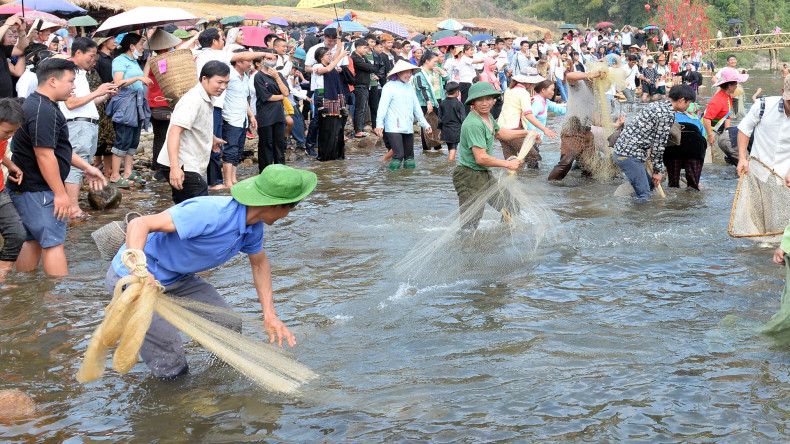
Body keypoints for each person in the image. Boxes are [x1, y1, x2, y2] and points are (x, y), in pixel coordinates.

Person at [105, 164, 317, 378]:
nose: (290, 213)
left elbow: (260, 264)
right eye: (292, 206)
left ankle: (217, 382)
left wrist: (270, 315)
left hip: (179, 279)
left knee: (228, 326)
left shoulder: (253, 227)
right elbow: (140, 224)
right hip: (134, 279)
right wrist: (138, 269)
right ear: (276, 206)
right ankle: (177, 398)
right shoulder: (209, 213)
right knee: (170, 355)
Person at [8, 58, 106, 276]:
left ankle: (27, 292)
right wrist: (61, 194)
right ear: (53, 81)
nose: (73, 86)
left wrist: (86, 167)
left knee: (31, 240)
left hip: (29, 189)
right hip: (39, 189)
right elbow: (44, 155)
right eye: (71, 81)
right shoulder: (43, 111)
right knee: (53, 244)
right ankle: (58, 301)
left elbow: (58, 147)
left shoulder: (40, 104)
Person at [194, 28, 271, 189]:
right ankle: (215, 182)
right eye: (221, 39)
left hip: (213, 105)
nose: (223, 42)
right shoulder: (213, 54)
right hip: (212, 104)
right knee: (215, 143)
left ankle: (212, 180)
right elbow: (241, 56)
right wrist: (263, 54)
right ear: (214, 42)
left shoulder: (201, 54)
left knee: (214, 141)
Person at [452, 81, 532, 231]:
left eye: (488, 98)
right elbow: (481, 158)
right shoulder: (474, 124)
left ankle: (501, 238)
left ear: (494, 100)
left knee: (511, 205)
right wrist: (508, 164)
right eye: (480, 100)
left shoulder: (487, 117)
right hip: (468, 176)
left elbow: (501, 133)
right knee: (470, 224)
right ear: (473, 103)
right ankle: (466, 250)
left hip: (483, 173)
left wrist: (527, 133)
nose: (484, 103)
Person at [60, 37, 117, 220]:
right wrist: (97, 92)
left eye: (96, 57)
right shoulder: (68, 72)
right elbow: (70, 103)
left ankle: (71, 205)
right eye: (91, 56)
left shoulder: (81, 73)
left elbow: (88, 103)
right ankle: (73, 209)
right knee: (76, 166)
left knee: (82, 163)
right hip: (77, 124)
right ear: (78, 53)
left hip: (88, 123)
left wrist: (105, 95)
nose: (94, 60)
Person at [157, 61, 229, 204]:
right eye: (219, 82)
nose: (223, 87)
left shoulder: (207, 96)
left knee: (185, 206)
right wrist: (175, 168)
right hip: (182, 162)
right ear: (204, 79)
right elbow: (174, 132)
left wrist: (212, 138)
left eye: (226, 83)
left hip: (189, 161)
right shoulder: (193, 100)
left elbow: (195, 125)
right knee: (200, 206)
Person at [613, 84, 696, 201]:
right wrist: (657, 172)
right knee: (644, 196)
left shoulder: (657, 104)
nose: (689, 106)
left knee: (651, 186)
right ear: (682, 100)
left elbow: (645, 130)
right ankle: (638, 217)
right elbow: (659, 145)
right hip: (628, 155)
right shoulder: (666, 114)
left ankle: (636, 205)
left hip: (624, 150)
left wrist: (648, 151)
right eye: (689, 103)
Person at [108, 33, 152, 189]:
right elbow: (118, 82)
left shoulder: (134, 61)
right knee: (123, 138)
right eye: (141, 44)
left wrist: (148, 64)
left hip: (137, 102)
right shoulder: (120, 60)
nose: (143, 47)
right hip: (125, 102)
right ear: (132, 46)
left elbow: (143, 79)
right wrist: (138, 79)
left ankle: (127, 172)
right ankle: (115, 175)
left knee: (134, 139)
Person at [374, 60, 431, 170]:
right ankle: (392, 180)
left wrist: (425, 124)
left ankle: (408, 182)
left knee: (409, 156)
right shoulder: (389, 86)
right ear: (398, 73)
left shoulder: (409, 87)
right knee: (399, 154)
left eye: (410, 72)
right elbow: (382, 107)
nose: (409, 75)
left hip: (408, 126)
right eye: (406, 72)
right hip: (393, 126)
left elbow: (417, 108)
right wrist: (379, 124)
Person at [497, 70, 557, 168]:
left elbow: (513, 105)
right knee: (533, 156)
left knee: (511, 160)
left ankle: (513, 181)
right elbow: (528, 115)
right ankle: (531, 181)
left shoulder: (509, 89)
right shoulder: (523, 92)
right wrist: (545, 129)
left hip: (501, 129)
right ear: (528, 82)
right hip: (514, 129)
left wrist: (528, 101)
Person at [735, 75, 790, 179]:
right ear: (783, 92)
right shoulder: (763, 106)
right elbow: (745, 128)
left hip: (785, 175)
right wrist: (742, 158)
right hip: (758, 171)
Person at [0, 99, 27, 285]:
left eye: (13, 133)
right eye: (7, 132)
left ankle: (2, 277)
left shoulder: (2, 138)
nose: (9, 137)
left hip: (0, 190)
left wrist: (11, 165)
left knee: (17, 233)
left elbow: (1, 154)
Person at [222, 49, 257, 188]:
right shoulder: (228, 75)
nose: (251, 64)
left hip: (242, 118)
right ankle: (227, 181)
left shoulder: (246, 77)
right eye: (248, 61)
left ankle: (234, 179)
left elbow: (244, 99)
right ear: (238, 61)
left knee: (238, 149)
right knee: (230, 149)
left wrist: (251, 116)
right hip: (231, 118)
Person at [311, 46, 349, 161]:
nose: (330, 56)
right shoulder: (317, 66)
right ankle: (325, 156)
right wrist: (340, 57)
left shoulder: (332, 66)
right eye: (328, 54)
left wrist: (339, 38)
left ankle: (337, 155)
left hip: (335, 98)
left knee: (338, 127)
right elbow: (327, 70)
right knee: (328, 128)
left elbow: (336, 54)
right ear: (321, 57)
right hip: (324, 97)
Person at [255, 49, 290, 171]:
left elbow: (286, 92)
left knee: (279, 144)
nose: (271, 61)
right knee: (266, 145)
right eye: (268, 59)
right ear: (262, 60)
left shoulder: (278, 75)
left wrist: (276, 77)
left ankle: (281, 171)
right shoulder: (258, 76)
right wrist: (281, 97)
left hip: (279, 114)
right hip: (265, 115)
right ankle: (265, 172)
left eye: (274, 59)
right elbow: (267, 97)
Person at [664, 103, 707, 190]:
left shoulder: (672, 117)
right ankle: (694, 188)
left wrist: (665, 164)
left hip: (673, 149)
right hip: (694, 149)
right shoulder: (697, 120)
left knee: (673, 185)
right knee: (693, 187)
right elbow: (703, 140)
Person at [703, 67, 746, 151]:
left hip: (717, 129)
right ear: (730, 85)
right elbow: (706, 119)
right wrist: (710, 135)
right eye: (736, 84)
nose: (737, 86)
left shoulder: (728, 97)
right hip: (707, 131)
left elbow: (727, 116)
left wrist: (728, 133)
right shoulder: (718, 100)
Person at [413, 51, 449, 151]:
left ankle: (437, 145)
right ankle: (426, 147)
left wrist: (441, 71)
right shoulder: (420, 74)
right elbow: (422, 89)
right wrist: (428, 102)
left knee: (437, 123)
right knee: (426, 123)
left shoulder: (435, 71)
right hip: (426, 102)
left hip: (438, 99)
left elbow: (447, 78)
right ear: (427, 61)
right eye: (434, 61)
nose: (435, 64)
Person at [527, 79, 566, 168]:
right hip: (530, 138)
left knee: (532, 166)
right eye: (552, 89)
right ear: (543, 90)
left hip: (534, 138)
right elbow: (529, 118)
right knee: (533, 167)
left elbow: (559, 110)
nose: (553, 92)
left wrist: (574, 108)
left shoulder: (545, 101)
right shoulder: (537, 102)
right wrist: (535, 135)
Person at [350, 39, 375, 139]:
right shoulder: (354, 58)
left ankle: (361, 129)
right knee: (359, 109)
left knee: (363, 108)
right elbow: (370, 68)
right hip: (359, 85)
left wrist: (370, 66)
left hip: (364, 85)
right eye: (364, 48)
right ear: (358, 48)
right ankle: (358, 131)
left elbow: (371, 67)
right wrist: (370, 66)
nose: (366, 50)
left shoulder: (363, 57)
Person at [0, 17, 28, 99]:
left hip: (6, 100)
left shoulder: (2, 48)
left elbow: (22, 49)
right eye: (10, 36)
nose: (14, 38)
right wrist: (7, 24)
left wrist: (21, 31)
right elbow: (17, 72)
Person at [439, 82, 465, 161]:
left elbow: (440, 118)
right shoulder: (459, 104)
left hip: (445, 129)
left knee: (450, 146)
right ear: (457, 92)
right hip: (455, 129)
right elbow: (463, 118)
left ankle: (450, 161)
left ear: (446, 92)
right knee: (454, 147)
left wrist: (440, 130)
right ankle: (450, 163)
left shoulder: (442, 103)